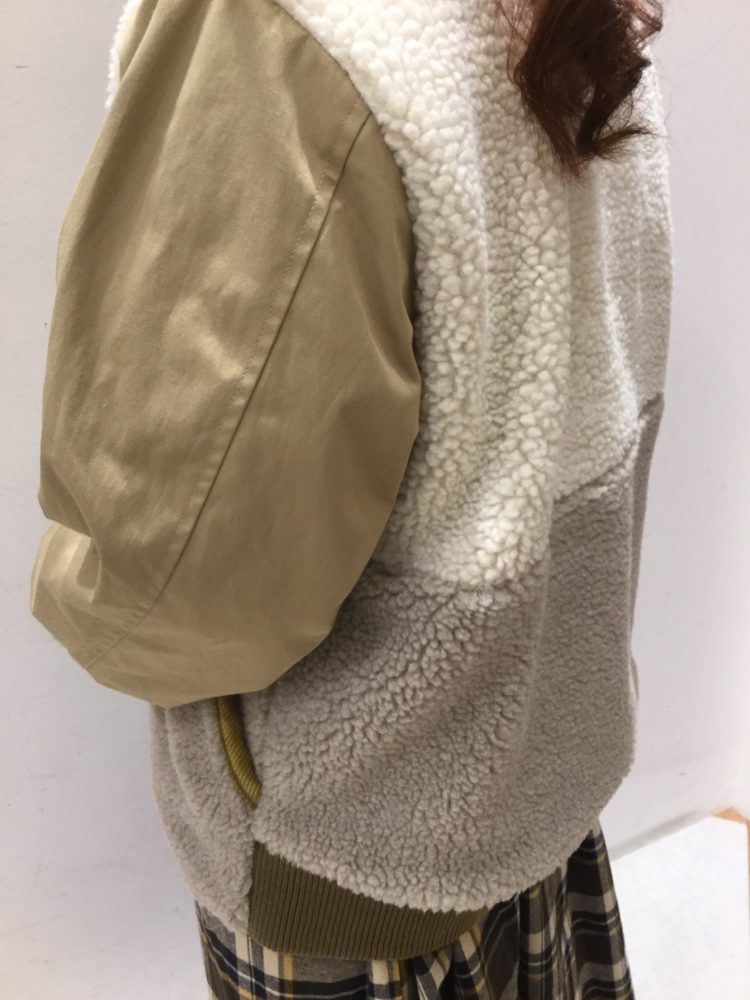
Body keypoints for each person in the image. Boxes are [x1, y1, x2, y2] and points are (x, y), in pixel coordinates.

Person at [29, 0, 672, 996]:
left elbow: (187, 584)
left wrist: (73, 586)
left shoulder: (283, 31)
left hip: (354, 836)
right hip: (533, 757)